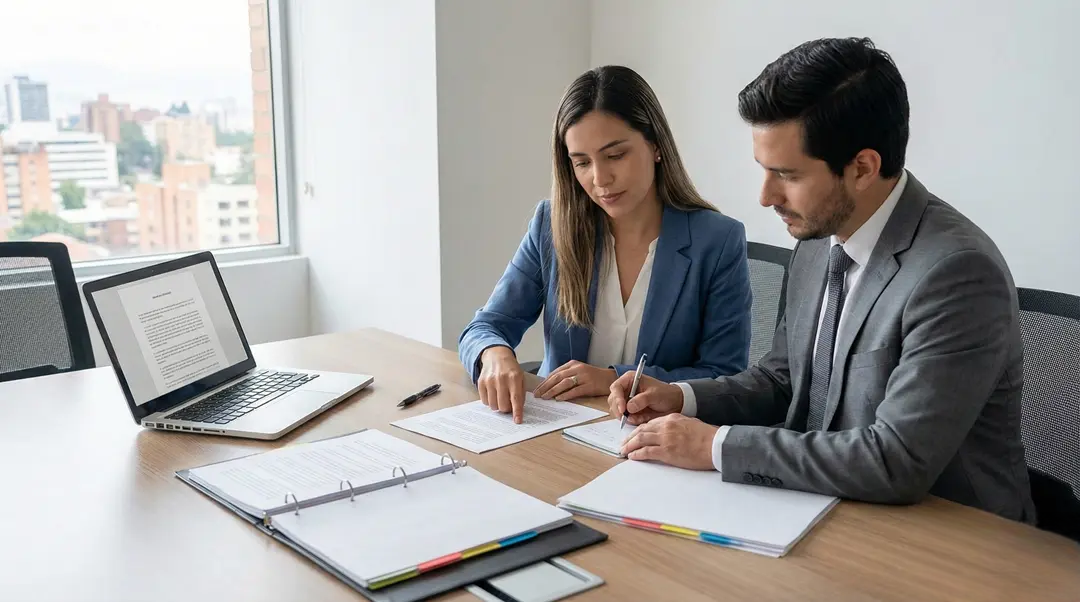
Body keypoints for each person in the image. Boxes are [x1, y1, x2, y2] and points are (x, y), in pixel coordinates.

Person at [609, 38, 1035, 523]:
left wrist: (716, 445)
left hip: (952, 539)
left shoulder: (956, 273)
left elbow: (896, 460)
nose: (766, 196)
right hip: (823, 508)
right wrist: (682, 398)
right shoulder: (818, 239)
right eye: (763, 170)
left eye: (786, 174)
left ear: (863, 168)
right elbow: (784, 379)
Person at [459, 65, 753, 424]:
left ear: (656, 146)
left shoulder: (717, 240)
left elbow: (725, 377)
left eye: (615, 155)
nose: (600, 179)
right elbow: (485, 326)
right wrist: (495, 354)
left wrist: (614, 378)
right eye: (582, 163)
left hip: (655, 436)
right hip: (556, 432)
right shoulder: (551, 227)